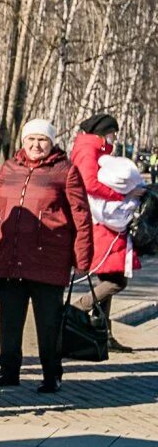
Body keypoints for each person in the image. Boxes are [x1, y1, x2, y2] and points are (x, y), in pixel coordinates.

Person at [0, 119, 94, 393]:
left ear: (51, 144)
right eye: (31, 140)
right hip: (10, 257)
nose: (36, 145)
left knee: (48, 323)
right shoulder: (8, 168)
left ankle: (52, 374)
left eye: (42, 140)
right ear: (23, 142)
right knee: (10, 320)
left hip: (48, 260)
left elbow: (81, 216)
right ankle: (8, 371)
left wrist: (83, 258)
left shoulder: (65, 171)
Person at [70, 113, 145, 352]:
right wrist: (124, 195)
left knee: (108, 276)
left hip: (103, 221)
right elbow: (89, 183)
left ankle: (103, 334)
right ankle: (78, 308)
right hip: (100, 222)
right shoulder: (89, 150)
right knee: (115, 280)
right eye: (112, 132)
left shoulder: (92, 148)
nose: (114, 137)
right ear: (103, 132)